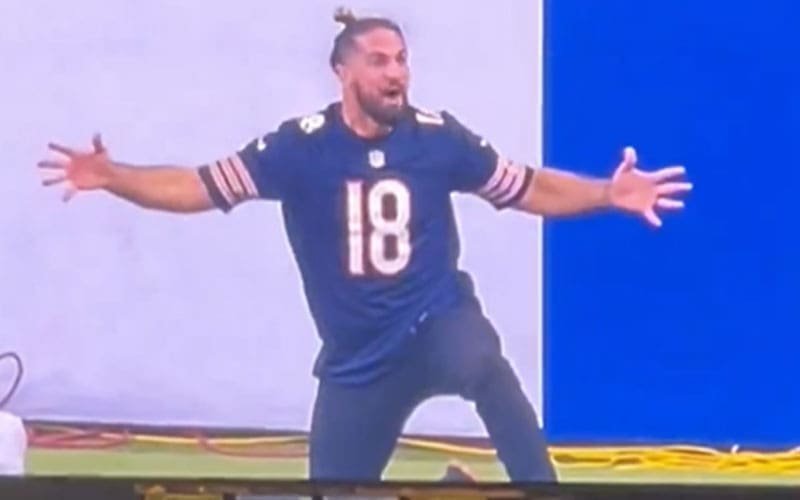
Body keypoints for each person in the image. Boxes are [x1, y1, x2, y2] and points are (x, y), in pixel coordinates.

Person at [37, 8, 691, 483]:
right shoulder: (299, 147)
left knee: (481, 360)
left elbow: (528, 187)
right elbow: (198, 186)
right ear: (342, 71)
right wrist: (115, 176)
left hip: (434, 320)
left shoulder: (438, 139)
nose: (396, 73)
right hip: (358, 359)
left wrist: (608, 193)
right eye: (379, 61)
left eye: (402, 59)